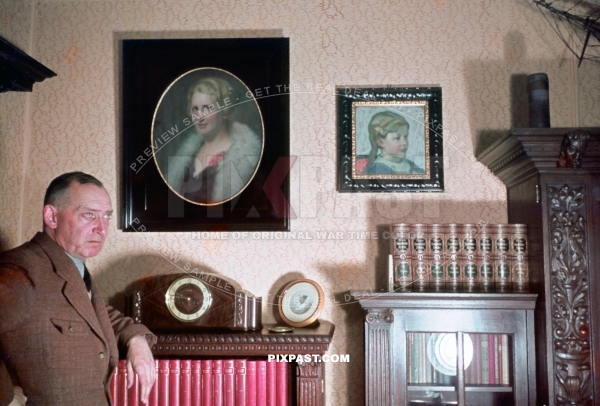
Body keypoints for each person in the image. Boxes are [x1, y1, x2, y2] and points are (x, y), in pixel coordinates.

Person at [0, 172, 157, 406]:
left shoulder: (70, 266)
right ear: (52, 217)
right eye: (88, 215)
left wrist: (136, 338)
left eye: (106, 217)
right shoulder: (22, 269)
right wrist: (8, 399)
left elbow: (95, 314)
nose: (101, 229)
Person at [165, 76, 262, 204]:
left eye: (207, 108)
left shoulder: (244, 159)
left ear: (225, 112)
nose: (199, 117)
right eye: (195, 109)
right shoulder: (188, 154)